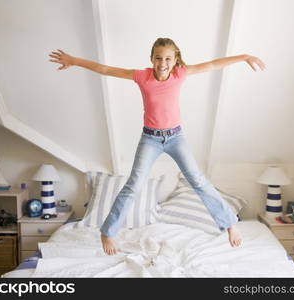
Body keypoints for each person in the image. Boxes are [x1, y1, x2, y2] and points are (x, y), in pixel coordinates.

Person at [49, 38, 266, 255]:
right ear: (152, 59)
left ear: (175, 60)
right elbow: (105, 69)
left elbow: (211, 65)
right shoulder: (142, 76)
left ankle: (229, 224)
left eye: (168, 59)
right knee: (133, 185)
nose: (163, 63)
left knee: (198, 180)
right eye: (159, 58)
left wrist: (245, 57)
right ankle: (108, 231)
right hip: (150, 139)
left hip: (176, 138)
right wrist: (75, 60)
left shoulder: (180, 73)